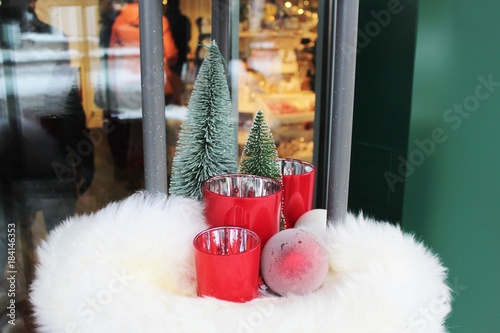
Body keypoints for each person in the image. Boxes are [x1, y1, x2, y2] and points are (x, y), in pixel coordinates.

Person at [106, 0, 178, 186]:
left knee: (134, 132)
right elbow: (170, 54)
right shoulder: (159, 20)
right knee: (156, 132)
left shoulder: (119, 22)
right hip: (155, 84)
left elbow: (113, 60)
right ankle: (159, 180)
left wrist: (116, 90)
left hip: (128, 86)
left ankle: (135, 176)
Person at [164, 0, 191, 77]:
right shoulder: (184, 20)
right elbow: (188, 37)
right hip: (180, 54)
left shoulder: (164, 20)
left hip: (169, 57)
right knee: (177, 80)